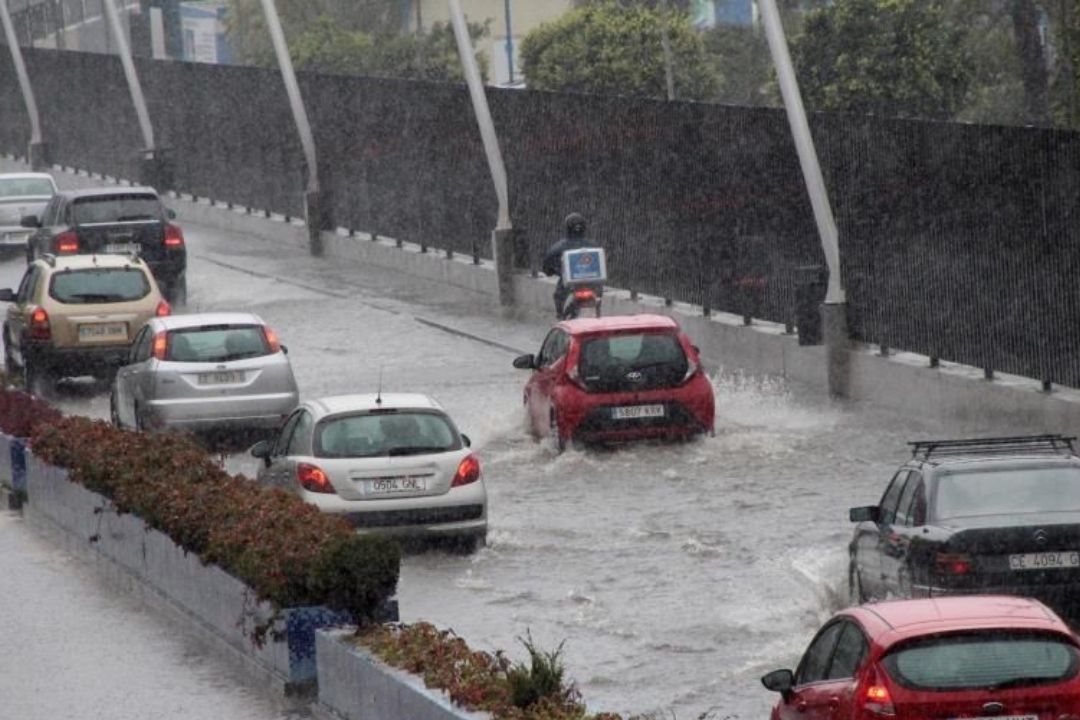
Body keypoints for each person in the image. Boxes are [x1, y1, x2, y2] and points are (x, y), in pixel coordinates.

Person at [542, 212, 593, 319]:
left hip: (568, 285)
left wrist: (551, 271)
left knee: (558, 297)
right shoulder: (593, 245)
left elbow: (547, 266)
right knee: (597, 296)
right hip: (592, 283)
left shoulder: (559, 247)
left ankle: (561, 318)